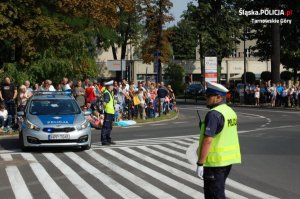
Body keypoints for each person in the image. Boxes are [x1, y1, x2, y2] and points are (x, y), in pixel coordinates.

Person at [196, 81, 241, 199]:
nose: (206, 97)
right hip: (227, 161)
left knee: (214, 195)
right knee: (219, 191)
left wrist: (200, 163)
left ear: (218, 97)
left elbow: (208, 141)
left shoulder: (213, 114)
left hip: (214, 163)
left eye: (209, 95)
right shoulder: (230, 111)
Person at [101, 80, 116, 145]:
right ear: (109, 86)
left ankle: (108, 139)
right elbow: (104, 103)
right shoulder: (107, 93)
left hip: (111, 112)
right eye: (112, 85)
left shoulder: (110, 92)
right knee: (106, 127)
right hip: (108, 112)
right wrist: (103, 111)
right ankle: (104, 141)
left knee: (109, 127)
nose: (113, 86)